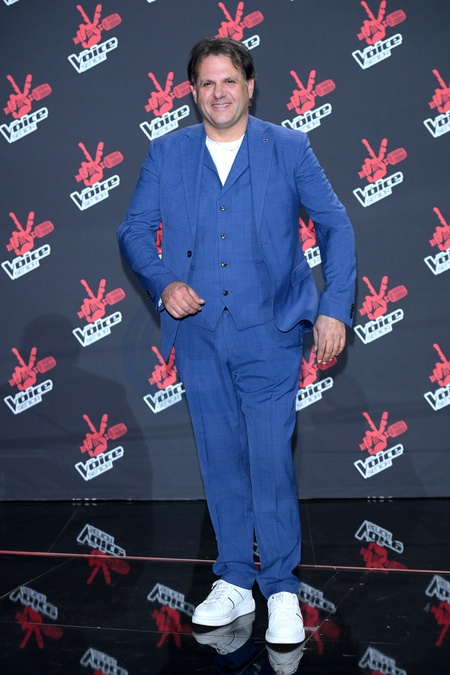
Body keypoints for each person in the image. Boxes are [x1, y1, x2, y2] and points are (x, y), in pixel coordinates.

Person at [117, 37, 356, 644]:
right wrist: (164, 282)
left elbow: (335, 225)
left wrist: (334, 308)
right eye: (207, 82)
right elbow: (135, 231)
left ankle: (281, 588)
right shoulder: (167, 153)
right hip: (199, 337)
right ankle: (232, 579)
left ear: (250, 86)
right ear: (192, 92)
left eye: (229, 80)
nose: (219, 92)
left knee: (269, 458)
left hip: (270, 333)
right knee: (219, 457)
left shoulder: (289, 147)